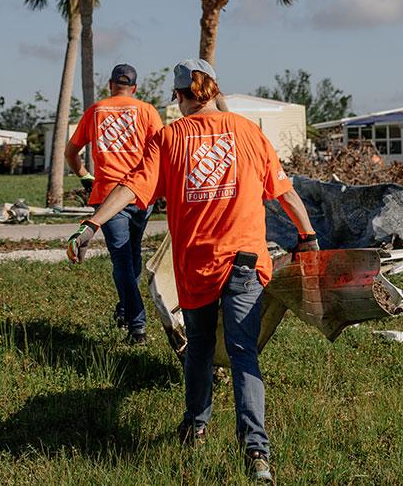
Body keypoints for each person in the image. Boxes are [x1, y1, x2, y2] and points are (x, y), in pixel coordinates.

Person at [66, 59, 318, 483]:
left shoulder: (169, 137)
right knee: (243, 353)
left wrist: (91, 224)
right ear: (213, 90)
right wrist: (308, 236)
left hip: (197, 266)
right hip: (245, 261)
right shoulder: (248, 132)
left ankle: (196, 425)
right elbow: (283, 190)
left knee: (199, 346)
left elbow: (130, 188)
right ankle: (257, 451)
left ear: (180, 96)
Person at [64, 63, 163, 345]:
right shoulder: (147, 111)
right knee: (131, 255)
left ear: (110, 85)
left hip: (108, 196)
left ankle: (133, 320)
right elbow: (161, 152)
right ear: (134, 88)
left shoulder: (96, 111)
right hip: (142, 194)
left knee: (125, 258)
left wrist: (85, 176)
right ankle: (133, 317)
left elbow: (71, 152)